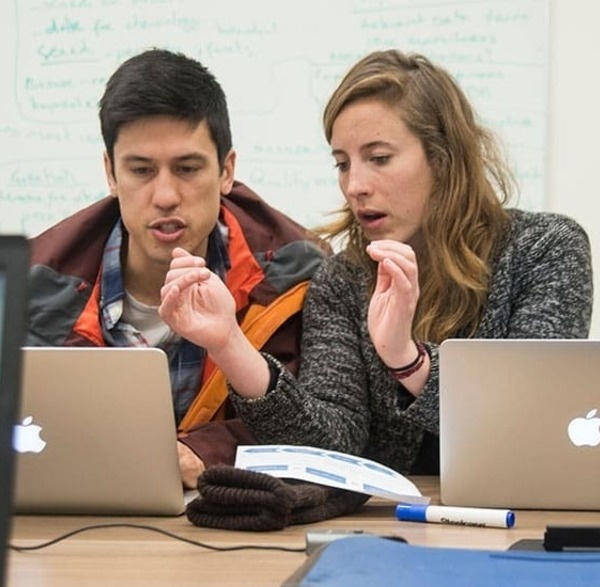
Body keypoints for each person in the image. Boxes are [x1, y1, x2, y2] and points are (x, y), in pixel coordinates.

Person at [159, 49, 593, 477]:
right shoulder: (343, 279)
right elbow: (327, 443)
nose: (355, 186)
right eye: (342, 164)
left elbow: (524, 424)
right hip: (391, 530)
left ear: (442, 160)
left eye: (379, 158)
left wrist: (408, 360)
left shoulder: (545, 249)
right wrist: (228, 344)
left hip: (515, 522)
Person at [26, 48, 329, 488]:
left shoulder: (298, 274)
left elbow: (322, 426)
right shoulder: (31, 284)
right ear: (111, 174)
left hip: (232, 535)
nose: (165, 195)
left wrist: (205, 452)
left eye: (187, 169)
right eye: (141, 170)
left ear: (226, 171)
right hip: (74, 532)